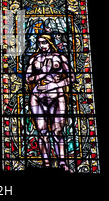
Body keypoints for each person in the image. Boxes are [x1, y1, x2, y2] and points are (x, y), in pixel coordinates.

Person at [26, 34, 74, 171]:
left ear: (50, 43)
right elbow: (28, 78)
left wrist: (57, 84)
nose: (42, 46)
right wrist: (41, 76)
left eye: (44, 43)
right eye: (39, 43)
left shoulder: (60, 57)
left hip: (57, 96)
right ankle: (46, 163)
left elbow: (72, 77)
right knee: (42, 132)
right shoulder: (34, 59)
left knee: (58, 131)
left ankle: (62, 163)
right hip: (37, 96)